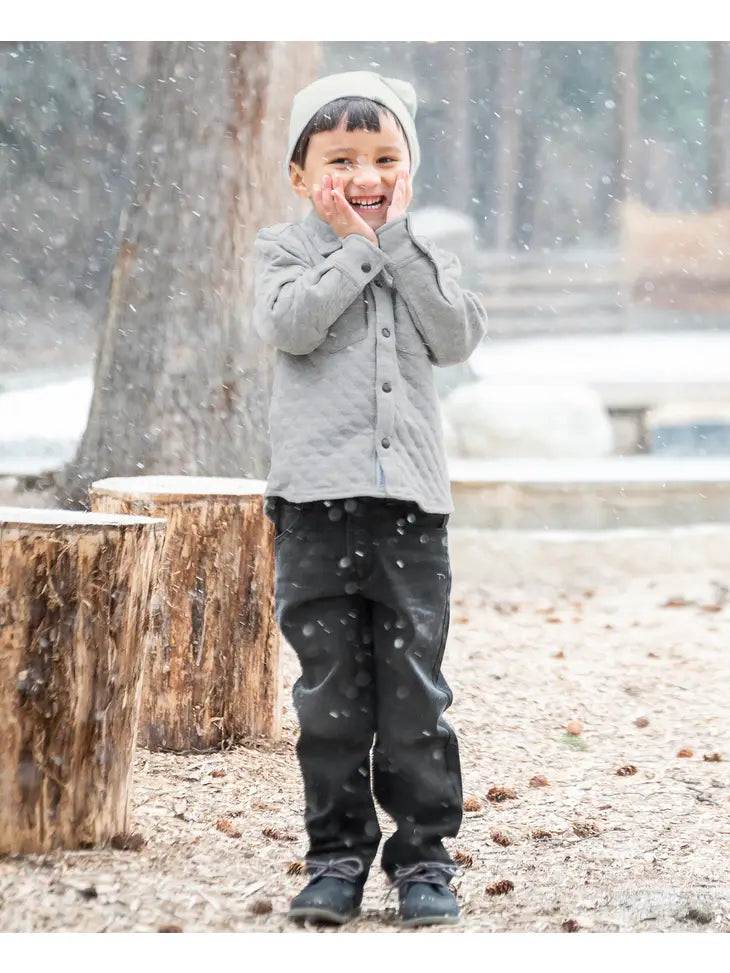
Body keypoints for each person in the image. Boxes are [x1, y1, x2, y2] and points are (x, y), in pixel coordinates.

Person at [253, 71, 487, 928]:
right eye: (341, 158)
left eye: (384, 158)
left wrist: (396, 243)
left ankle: (424, 858)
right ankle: (337, 853)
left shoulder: (425, 256)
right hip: (314, 510)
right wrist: (355, 245)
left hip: (410, 513)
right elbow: (292, 326)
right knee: (331, 694)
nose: (365, 175)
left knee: (415, 693)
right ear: (298, 172)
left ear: (409, 170)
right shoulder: (283, 252)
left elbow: (456, 335)